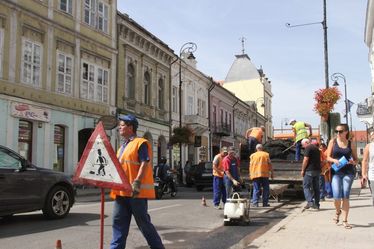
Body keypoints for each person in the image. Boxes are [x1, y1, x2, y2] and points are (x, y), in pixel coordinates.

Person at [109, 114, 164, 249]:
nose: (119, 128)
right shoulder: (122, 147)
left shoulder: (140, 143)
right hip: (121, 192)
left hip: (135, 194)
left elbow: (145, 162)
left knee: (144, 224)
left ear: (130, 127)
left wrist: (137, 182)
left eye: (122, 126)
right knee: (118, 224)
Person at [326, 123, 358, 229]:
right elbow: (327, 157)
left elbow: (356, 159)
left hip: (348, 172)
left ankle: (345, 220)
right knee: (336, 196)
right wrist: (334, 160)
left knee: (345, 195)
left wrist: (353, 162)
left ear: (346, 132)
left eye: (340, 131)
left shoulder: (351, 144)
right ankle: (337, 211)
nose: (338, 133)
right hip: (336, 172)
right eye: (336, 131)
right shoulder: (333, 142)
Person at [301, 138, 321, 210]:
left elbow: (306, 159)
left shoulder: (308, 148)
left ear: (306, 142)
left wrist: (303, 170)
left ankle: (310, 202)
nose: (303, 147)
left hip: (309, 170)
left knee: (306, 186)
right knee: (316, 188)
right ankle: (317, 204)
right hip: (317, 170)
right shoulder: (316, 148)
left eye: (303, 145)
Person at [361, 131, 374, 206]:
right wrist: (363, 174)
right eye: (372, 134)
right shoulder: (369, 146)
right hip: (372, 174)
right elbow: (364, 160)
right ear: (370, 137)